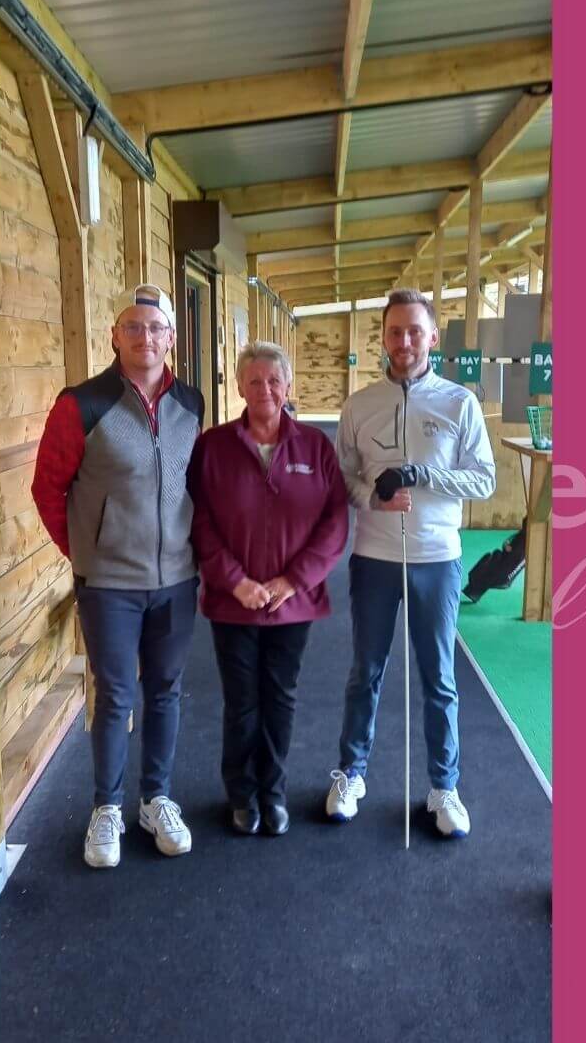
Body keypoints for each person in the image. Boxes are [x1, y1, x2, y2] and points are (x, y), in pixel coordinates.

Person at [31, 283, 204, 869]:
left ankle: (156, 799)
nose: (144, 337)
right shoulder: (79, 405)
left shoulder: (193, 404)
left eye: (155, 329)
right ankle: (106, 809)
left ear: (172, 340)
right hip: (109, 584)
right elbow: (48, 488)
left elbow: (194, 486)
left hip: (178, 579)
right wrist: (86, 552)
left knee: (165, 692)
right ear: (114, 336)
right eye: (133, 327)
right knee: (115, 695)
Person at [325, 288, 496, 837]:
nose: (404, 342)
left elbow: (484, 479)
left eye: (414, 332)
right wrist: (370, 497)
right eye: (395, 331)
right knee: (364, 674)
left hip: (436, 559)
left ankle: (444, 787)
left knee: (439, 679)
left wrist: (424, 477)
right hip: (373, 558)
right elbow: (342, 477)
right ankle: (352, 773)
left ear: (432, 338)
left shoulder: (459, 403)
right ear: (383, 337)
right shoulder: (359, 404)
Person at [190, 342, 348, 836]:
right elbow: (198, 521)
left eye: (274, 381)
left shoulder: (315, 447)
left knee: (280, 697)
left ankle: (272, 793)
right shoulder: (212, 447)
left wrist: (293, 580)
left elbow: (335, 520)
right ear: (238, 387)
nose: (264, 390)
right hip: (232, 603)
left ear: (288, 386)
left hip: (292, 603)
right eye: (254, 381)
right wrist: (234, 582)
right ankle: (241, 795)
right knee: (241, 701)